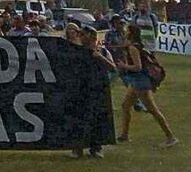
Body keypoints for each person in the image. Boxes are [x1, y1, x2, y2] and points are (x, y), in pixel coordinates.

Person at [116, 25, 177, 147]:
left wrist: (124, 66)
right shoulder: (134, 46)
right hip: (136, 81)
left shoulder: (133, 48)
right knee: (125, 105)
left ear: (130, 34)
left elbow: (138, 67)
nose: (124, 32)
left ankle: (170, 137)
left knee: (152, 109)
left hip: (140, 81)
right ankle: (124, 134)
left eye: (126, 31)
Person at [71, 26, 116, 159]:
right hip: (81, 89)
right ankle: (77, 148)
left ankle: (96, 147)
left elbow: (113, 68)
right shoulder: (77, 51)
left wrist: (100, 57)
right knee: (79, 118)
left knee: (98, 118)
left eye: (83, 34)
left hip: (98, 89)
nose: (80, 37)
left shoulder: (102, 51)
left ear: (91, 36)